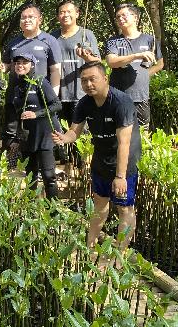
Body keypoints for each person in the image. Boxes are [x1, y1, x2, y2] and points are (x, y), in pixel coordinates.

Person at [52, 61, 141, 252]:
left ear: (105, 79)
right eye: (84, 81)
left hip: (124, 162)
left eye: (93, 79)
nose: (88, 84)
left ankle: (120, 254)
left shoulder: (121, 102)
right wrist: (63, 138)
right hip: (100, 159)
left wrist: (120, 177)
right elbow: (74, 132)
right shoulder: (84, 103)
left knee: (124, 209)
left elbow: (124, 143)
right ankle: (89, 245)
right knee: (99, 203)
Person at [0, 4, 62, 148]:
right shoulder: (14, 42)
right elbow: (7, 65)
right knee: (11, 132)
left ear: (40, 19)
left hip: (38, 97)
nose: (27, 20)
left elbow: (55, 70)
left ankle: (38, 167)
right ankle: (12, 166)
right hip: (15, 95)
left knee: (36, 133)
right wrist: (3, 68)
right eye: (23, 17)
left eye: (31, 17)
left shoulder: (49, 40)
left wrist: (53, 95)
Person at [8, 51, 62, 199]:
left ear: (32, 65)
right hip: (27, 136)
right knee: (30, 176)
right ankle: (32, 210)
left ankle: (54, 211)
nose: (20, 65)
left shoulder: (40, 81)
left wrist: (36, 114)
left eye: (24, 62)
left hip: (44, 134)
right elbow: (16, 115)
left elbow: (57, 105)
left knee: (48, 175)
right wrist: (16, 138)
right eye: (17, 63)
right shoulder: (17, 86)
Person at [105, 3, 163, 127]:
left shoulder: (149, 40)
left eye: (124, 15)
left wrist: (144, 74)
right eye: (118, 17)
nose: (120, 19)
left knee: (143, 134)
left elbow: (160, 64)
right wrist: (136, 56)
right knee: (118, 133)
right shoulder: (113, 41)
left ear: (136, 17)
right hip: (118, 96)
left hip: (141, 96)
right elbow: (111, 62)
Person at [51, 0, 100, 124]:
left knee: (80, 134)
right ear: (58, 16)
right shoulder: (52, 37)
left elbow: (97, 61)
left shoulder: (86, 34)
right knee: (60, 133)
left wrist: (86, 57)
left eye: (69, 11)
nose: (65, 15)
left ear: (77, 14)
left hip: (81, 93)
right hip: (58, 93)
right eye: (62, 12)